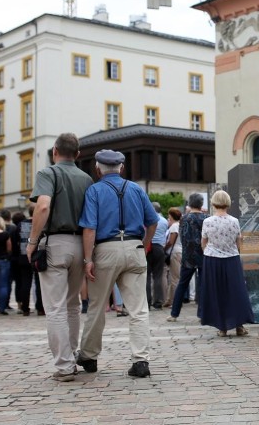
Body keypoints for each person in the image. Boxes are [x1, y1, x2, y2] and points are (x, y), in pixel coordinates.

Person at [76, 149, 158, 378]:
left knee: (97, 306)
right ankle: (141, 360)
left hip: (105, 249)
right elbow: (152, 222)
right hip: (134, 247)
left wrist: (88, 259)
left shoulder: (94, 190)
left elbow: (89, 228)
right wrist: (145, 243)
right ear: (121, 168)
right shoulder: (135, 189)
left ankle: (89, 356)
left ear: (97, 168)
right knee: (138, 309)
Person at [27, 133, 93, 381]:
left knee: (54, 307)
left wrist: (32, 241)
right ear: (77, 154)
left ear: (54, 151)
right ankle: (72, 353)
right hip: (80, 244)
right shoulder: (86, 179)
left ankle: (64, 366)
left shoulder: (48, 173)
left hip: (55, 242)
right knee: (73, 304)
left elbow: (43, 206)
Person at [199, 190, 253, 337]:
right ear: (228, 202)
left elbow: (204, 242)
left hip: (212, 260)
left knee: (217, 292)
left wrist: (209, 251)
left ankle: (222, 327)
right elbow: (238, 241)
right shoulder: (234, 221)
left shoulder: (207, 221)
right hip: (232, 259)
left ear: (213, 202)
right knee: (235, 292)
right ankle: (239, 326)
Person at [167, 193, 207, 322]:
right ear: (201, 204)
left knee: (182, 284)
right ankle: (202, 314)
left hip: (187, 255)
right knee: (202, 284)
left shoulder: (184, 219)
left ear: (189, 204)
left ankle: (174, 314)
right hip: (203, 254)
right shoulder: (206, 218)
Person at [146, 202, 168, 310]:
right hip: (159, 248)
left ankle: (147, 301)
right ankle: (158, 301)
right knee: (158, 276)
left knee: (146, 276)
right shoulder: (164, 221)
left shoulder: (146, 219)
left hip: (148, 247)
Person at [11, 211, 34, 316]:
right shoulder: (41, 221)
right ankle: (41, 307)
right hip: (39, 256)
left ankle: (25, 308)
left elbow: (15, 242)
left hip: (23, 256)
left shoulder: (20, 224)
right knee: (40, 283)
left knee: (25, 283)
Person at [163, 207, 182, 308]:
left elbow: (171, 241)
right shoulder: (178, 225)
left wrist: (164, 248)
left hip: (175, 252)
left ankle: (174, 300)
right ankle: (170, 300)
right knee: (173, 277)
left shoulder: (174, 226)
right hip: (178, 252)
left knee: (174, 278)